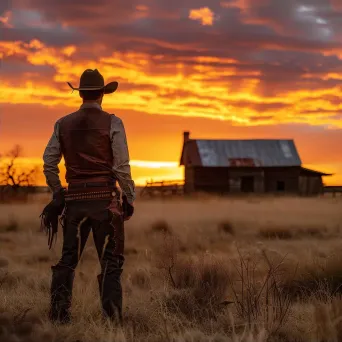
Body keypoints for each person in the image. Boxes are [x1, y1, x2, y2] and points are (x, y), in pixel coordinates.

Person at [41, 69, 135, 325]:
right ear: (103, 94)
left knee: (68, 261)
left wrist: (58, 192)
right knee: (111, 263)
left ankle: (59, 319)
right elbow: (121, 165)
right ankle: (112, 323)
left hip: (74, 204)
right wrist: (129, 196)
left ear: (81, 94)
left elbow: (49, 163)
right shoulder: (113, 122)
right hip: (105, 202)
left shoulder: (63, 123)